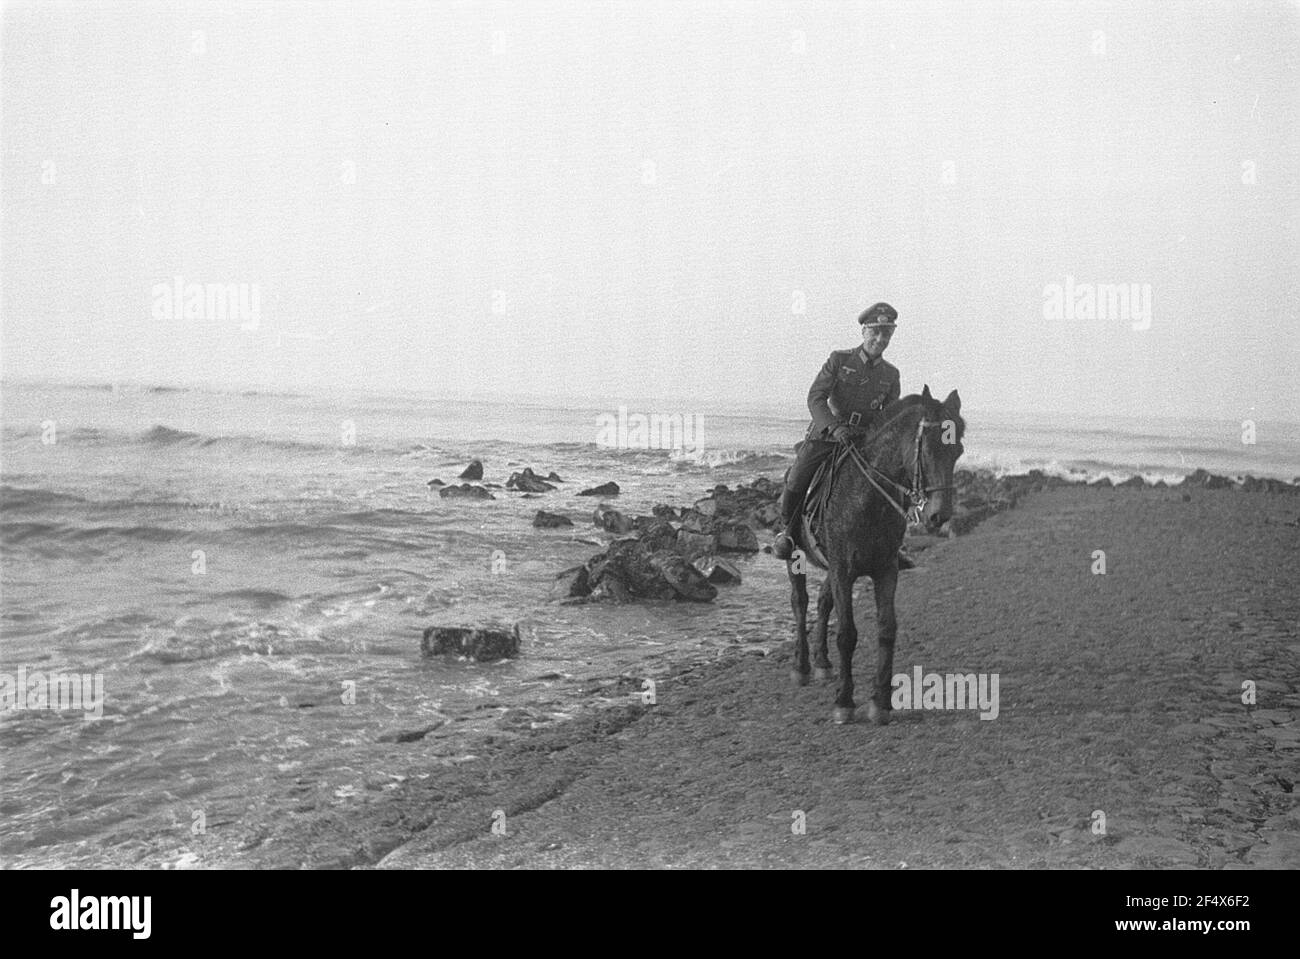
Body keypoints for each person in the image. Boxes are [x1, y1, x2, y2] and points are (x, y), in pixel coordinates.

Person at [772, 302, 902, 561]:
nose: (880, 339)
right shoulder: (840, 359)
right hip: (827, 438)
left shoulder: (891, 374)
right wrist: (834, 426)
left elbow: (888, 417)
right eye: (875, 332)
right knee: (798, 478)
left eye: (886, 334)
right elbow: (816, 397)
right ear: (864, 331)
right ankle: (787, 533)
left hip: (863, 443)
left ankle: (893, 546)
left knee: (893, 483)